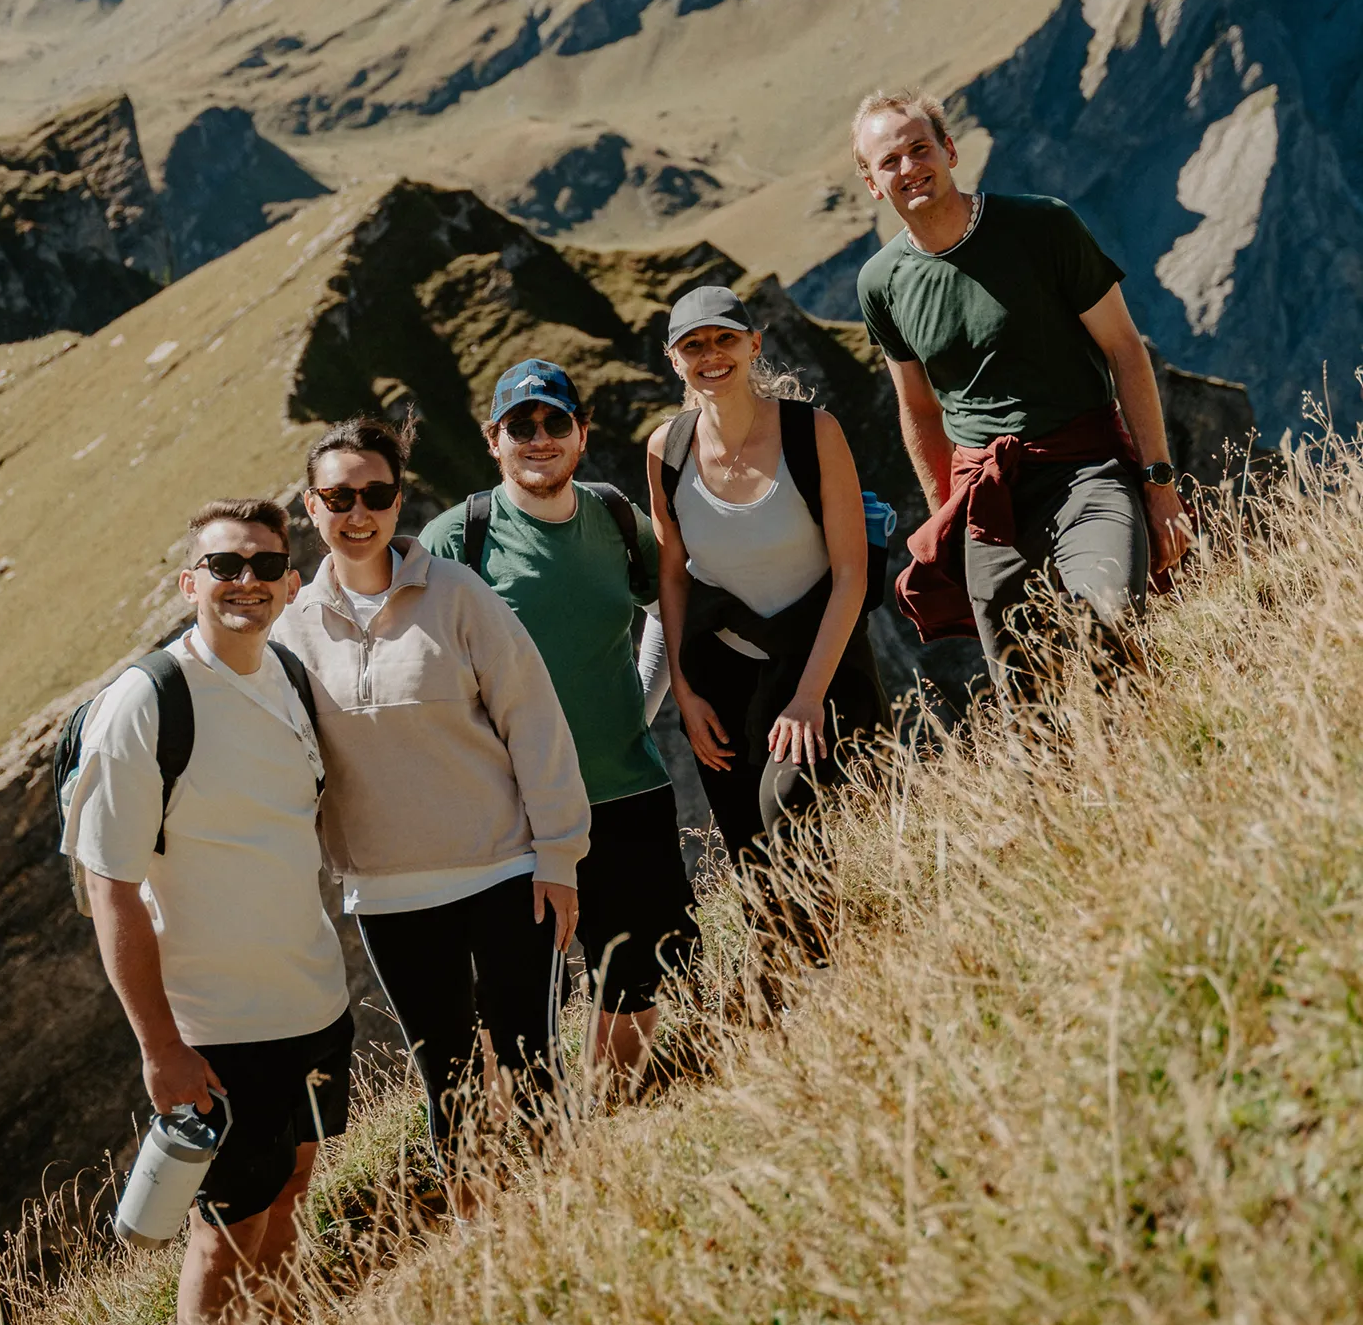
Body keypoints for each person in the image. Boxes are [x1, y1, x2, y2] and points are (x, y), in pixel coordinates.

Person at [63, 498, 351, 1325]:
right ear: (190, 583)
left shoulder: (290, 676)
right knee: (224, 1238)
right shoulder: (148, 701)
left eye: (265, 566)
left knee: (291, 1195)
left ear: (291, 585)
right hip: (217, 1034)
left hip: (314, 1003)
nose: (246, 581)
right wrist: (161, 1048)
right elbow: (109, 886)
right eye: (225, 565)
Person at [272, 414, 590, 1204]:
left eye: (375, 494)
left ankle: (569, 1212)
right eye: (338, 497)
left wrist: (559, 855)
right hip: (387, 893)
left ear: (398, 499)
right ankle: (482, 1234)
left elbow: (534, 719)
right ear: (311, 506)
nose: (358, 512)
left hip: (504, 873)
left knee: (531, 1059)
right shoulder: (290, 630)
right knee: (445, 1076)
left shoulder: (458, 594)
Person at [850, 88, 1194, 688]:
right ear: (873, 184)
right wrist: (946, 517)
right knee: (1026, 691)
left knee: (1111, 619)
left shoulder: (1043, 226)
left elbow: (1124, 350)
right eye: (890, 161)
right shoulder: (881, 283)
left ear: (949, 150)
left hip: (1086, 470)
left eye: (920, 148)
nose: (909, 167)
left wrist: (1158, 485)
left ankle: (1158, 736)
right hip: (987, 499)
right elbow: (919, 409)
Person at [421, 358, 699, 1099]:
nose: (538, 438)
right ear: (494, 440)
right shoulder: (456, 540)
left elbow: (671, 602)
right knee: (515, 1000)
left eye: (554, 422)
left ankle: (609, 1121)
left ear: (582, 433)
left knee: (637, 976)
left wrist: (641, 704)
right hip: (510, 815)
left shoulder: (614, 518)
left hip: (625, 791)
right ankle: (532, 1139)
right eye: (521, 426)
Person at [645, 286, 887, 983]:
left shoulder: (814, 434)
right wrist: (685, 694)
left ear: (753, 345)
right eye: (693, 345)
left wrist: (808, 699)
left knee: (789, 816)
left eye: (725, 339)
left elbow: (851, 574)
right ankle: (794, 988)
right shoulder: (667, 448)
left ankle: (836, 976)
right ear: (674, 361)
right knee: (750, 852)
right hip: (721, 674)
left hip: (815, 664)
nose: (711, 355)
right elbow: (673, 577)